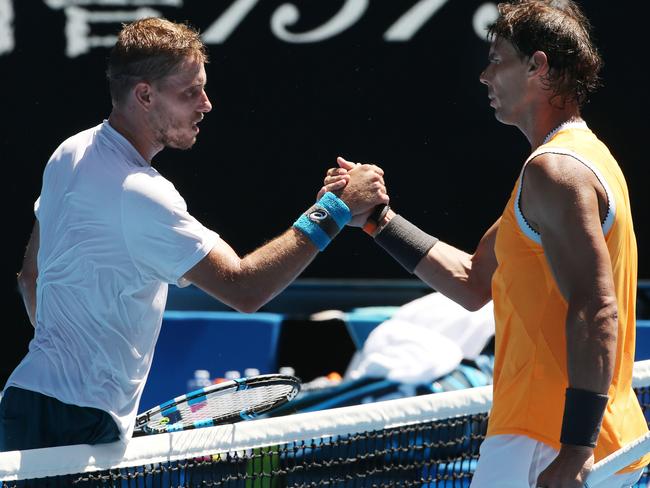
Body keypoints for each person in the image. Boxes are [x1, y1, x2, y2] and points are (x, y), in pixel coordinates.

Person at [0, 17, 388, 452]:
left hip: (26, 400)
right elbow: (245, 289)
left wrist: (71, 363)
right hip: (77, 424)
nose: (206, 104)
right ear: (144, 95)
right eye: (190, 93)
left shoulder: (69, 153)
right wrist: (333, 210)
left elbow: (29, 279)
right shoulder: (143, 194)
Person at [322, 1, 649, 487]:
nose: (484, 75)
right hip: (564, 437)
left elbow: (596, 306)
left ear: (538, 66)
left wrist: (575, 449)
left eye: (497, 59)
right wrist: (377, 221)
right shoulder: (573, 162)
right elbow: (473, 280)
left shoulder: (553, 171)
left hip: (549, 443)